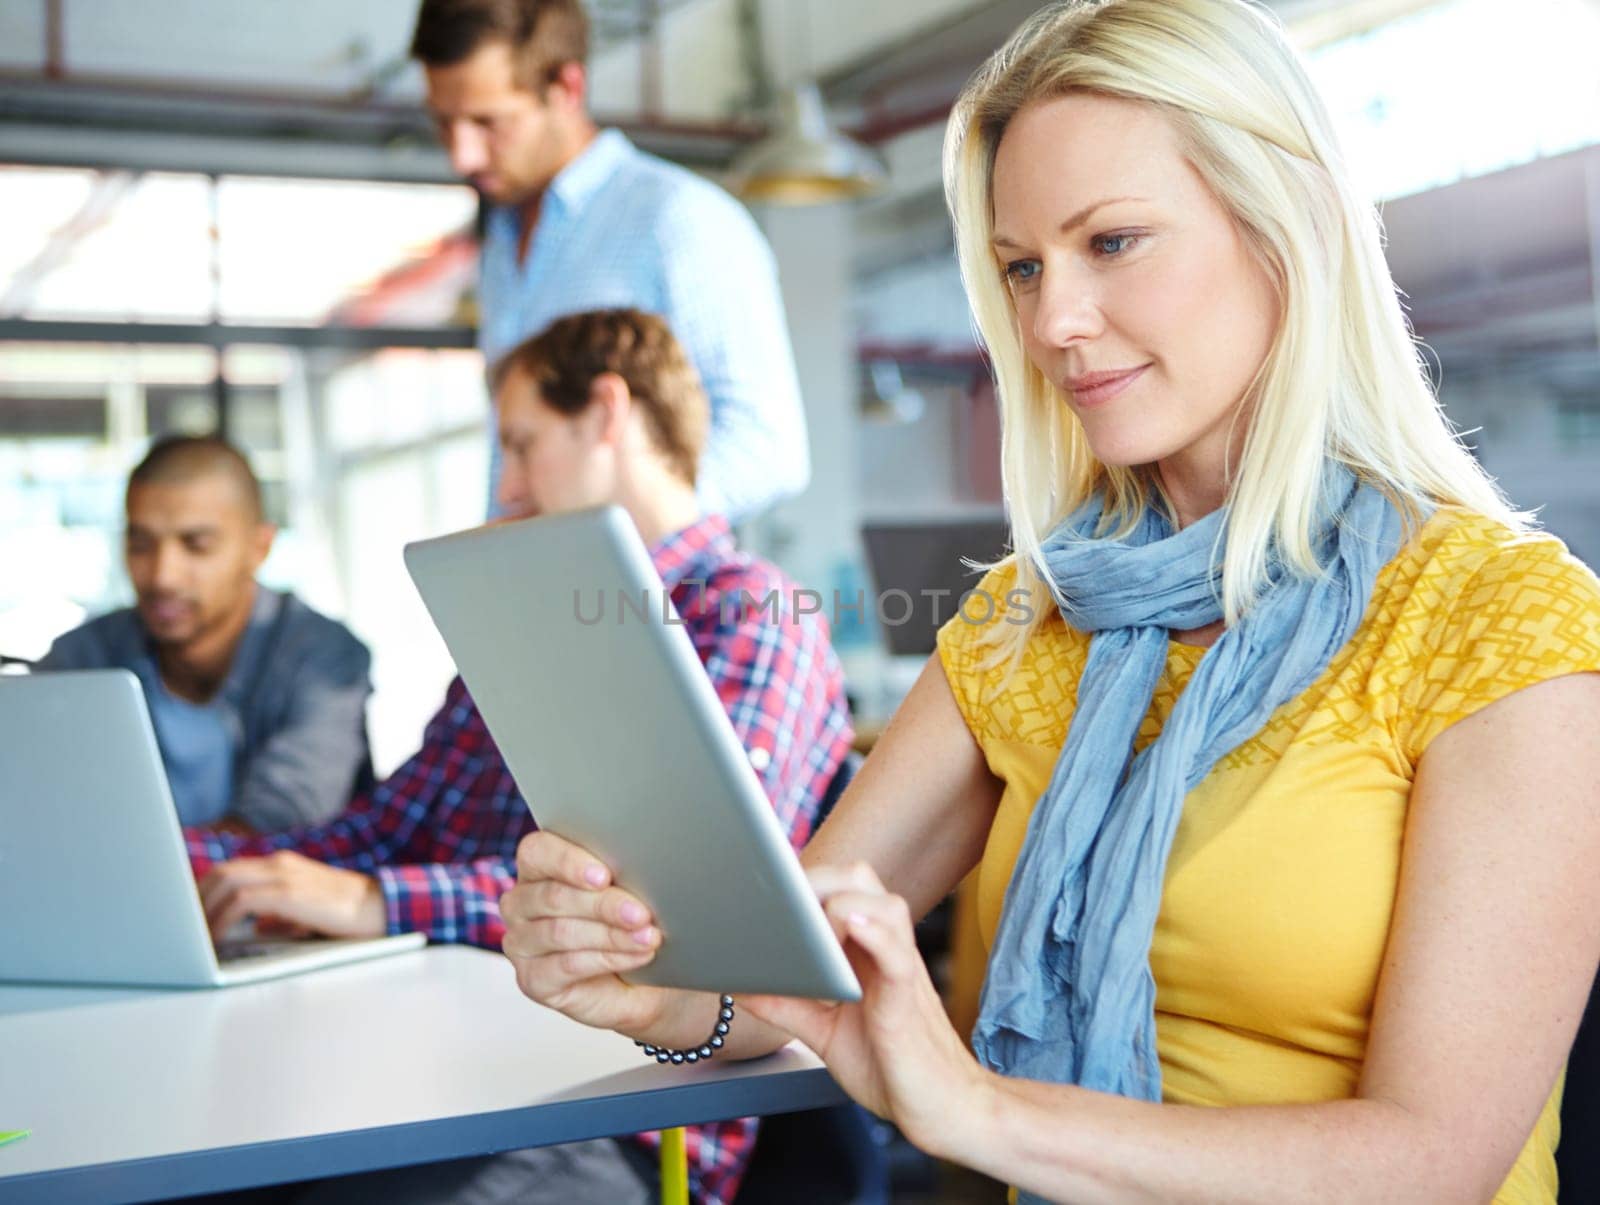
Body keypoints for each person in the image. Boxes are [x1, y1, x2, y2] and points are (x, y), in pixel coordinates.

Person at [498, 3, 1600, 1203]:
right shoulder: (1029, 621)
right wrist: (650, 987)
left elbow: (1432, 1161)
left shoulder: (1500, 620)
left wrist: (979, 1109)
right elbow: (789, 969)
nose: (1050, 323)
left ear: (1283, 230)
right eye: (1022, 266)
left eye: (1112, 242)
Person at [188, 309, 853, 1205]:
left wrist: (374, 901)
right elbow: (393, 825)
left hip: (629, 1110)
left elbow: (677, 905)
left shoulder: (750, 614)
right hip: (455, 1060)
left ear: (607, 412)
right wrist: (198, 867)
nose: (505, 487)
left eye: (521, 443)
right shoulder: (524, 611)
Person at [412, 0, 810, 521]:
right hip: (539, 588)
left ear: (568, 89)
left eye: (489, 122)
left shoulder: (680, 220)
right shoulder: (500, 248)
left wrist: (620, 539)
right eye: (445, 124)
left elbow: (767, 448)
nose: (462, 155)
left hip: (644, 593)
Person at [39, 435, 372, 832]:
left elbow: (285, 816)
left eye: (196, 546)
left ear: (259, 547)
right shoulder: (81, 659)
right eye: (141, 544)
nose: (163, 576)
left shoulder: (322, 656)